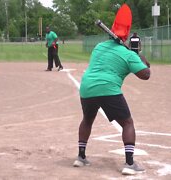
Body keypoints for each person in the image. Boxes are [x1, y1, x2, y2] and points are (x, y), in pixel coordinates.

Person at [73, 3, 151, 176]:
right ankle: (130, 163)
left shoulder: (99, 47)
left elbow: (140, 69)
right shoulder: (129, 54)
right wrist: (138, 56)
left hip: (87, 87)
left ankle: (80, 157)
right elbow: (146, 74)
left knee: (87, 119)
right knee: (127, 123)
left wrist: (134, 55)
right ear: (128, 33)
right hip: (108, 89)